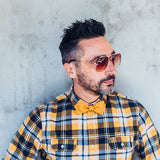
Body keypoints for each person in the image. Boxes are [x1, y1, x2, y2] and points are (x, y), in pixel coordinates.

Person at [3, 19, 160, 160]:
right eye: (100, 61)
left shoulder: (134, 112)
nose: (112, 70)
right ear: (72, 70)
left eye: (113, 58)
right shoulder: (43, 118)